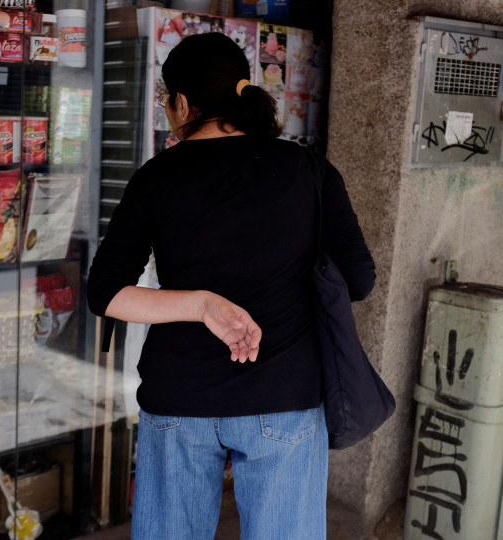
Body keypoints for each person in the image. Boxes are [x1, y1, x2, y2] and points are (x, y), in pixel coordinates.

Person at [86, 33, 375, 540]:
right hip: (284, 394)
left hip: (179, 400)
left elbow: (105, 293)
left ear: (180, 102)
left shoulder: (154, 178)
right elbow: (359, 279)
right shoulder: (308, 169)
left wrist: (201, 304)